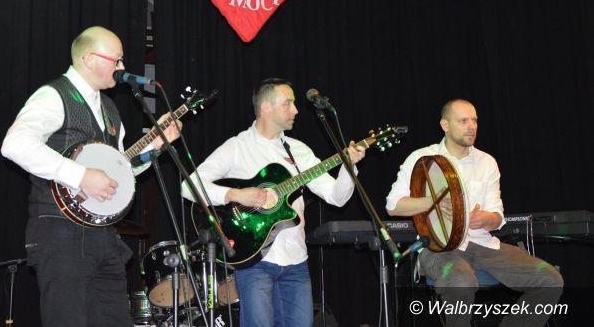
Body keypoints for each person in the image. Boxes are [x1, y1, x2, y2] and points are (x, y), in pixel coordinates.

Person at [1, 26, 181, 327]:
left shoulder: (109, 109)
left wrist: (155, 147)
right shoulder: (54, 95)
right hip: (60, 231)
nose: (122, 67)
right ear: (88, 58)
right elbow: (14, 144)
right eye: (116, 59)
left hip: (104, 235)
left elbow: (122, 168)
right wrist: (81, 175)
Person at [181, 78, 366, 327]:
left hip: (296, 261)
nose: (296, 110)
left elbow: (337, 197)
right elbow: (188, 186)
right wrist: (235, 194)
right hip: (255, 260)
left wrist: (349, 166)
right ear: (266, 107)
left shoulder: (299, 150)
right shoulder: (237, 147)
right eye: (288, 103)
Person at [386, 99, 563, 327]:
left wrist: (486, 219)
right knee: (461, 281)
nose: (472, 126)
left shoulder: (487, 162)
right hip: (439, 248)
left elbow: (497, 217)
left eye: (475, 121)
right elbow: (393, 205)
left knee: (550, 279)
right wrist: (432, 202)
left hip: (484, 245)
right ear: (445, 125)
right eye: (463, 121)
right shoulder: (422, 159)